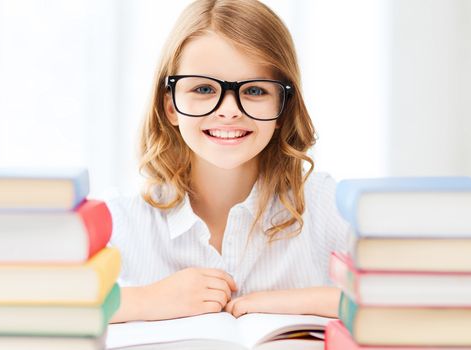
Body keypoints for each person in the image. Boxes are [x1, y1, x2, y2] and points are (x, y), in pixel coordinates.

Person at [108, 0, 351, 323]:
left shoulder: (325, 207)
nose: (229, 110)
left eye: (254, 91)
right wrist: (143, 301)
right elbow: (40, 308)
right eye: (204, 88)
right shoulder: (126, 222)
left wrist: (289, 301)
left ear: (283, 107)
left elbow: (407, 300)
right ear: (170, 106)